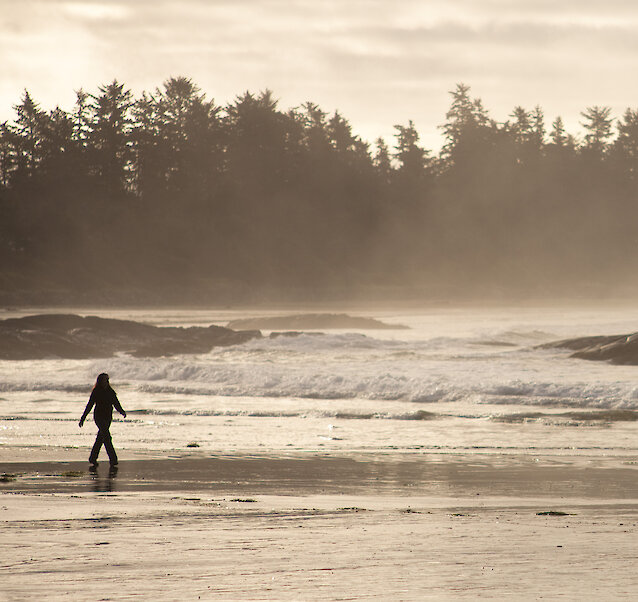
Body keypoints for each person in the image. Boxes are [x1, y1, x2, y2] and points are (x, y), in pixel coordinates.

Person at [79, 373, 126, 467]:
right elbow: (90, 405)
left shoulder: (110, 391)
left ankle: (92, 458)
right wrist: (83, 418)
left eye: (107, 380)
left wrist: (121, 411)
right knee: (107, 437)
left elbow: (116, 403)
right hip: (99, 417)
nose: (107, 382)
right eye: (105, 380)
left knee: (101, 438)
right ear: (100, 381)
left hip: (108, 417)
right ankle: (113, 459)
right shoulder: (96, 391)